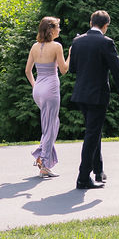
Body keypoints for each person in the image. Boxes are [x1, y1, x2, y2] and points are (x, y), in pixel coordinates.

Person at [68, 10, 119, 190]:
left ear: (90, 22)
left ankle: (98, 170)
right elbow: (117, 70)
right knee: (92, 134)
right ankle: (83, 177)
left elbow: (72, 69)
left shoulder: (77, 41)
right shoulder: (106, 42)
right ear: (106, 25)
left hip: (80, 94)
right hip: (97, 95)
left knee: (94, 131)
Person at [25, 16, 69, 177]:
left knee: (53, 124)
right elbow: (64, 70)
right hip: (50, 89)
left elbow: (27, 71)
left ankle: (41, 155)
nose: (59, 29)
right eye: (58, 27)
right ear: (50, 30)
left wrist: (36, 86)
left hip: (38, 90)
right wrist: (71, 54)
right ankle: (43, 162)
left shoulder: (34, 47)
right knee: (50, 127)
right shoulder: (57, 46)